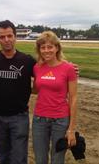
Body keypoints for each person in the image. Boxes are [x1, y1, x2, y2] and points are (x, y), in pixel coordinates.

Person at [0, 20, 37, 164]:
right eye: (2, 37)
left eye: (9, 36)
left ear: (15, 37)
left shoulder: (27, 61)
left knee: (19, 158)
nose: (6, 40)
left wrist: (67, 67)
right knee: (2, 157)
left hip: (19, 117)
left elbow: (46, 73)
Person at [32, 31, 78, 164]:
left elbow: (73, 98)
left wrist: (71, 129)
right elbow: (35, 89)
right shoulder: (37, 68)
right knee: (40, 159)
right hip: (39, 119)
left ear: (57, 48)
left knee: (57, 159)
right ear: (39, 50)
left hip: (60, 120)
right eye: (43, 47)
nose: (46, 51)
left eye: (50, 47)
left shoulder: (68, 68)